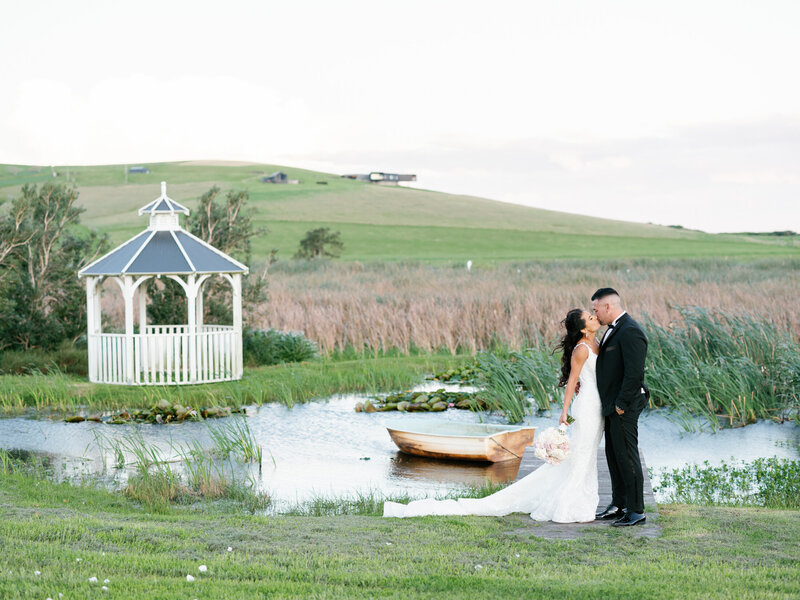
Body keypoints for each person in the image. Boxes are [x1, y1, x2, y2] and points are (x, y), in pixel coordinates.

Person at [383, 309, 604, 522]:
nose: (595, 318)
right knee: (581, 455)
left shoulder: (596, 343)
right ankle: (569, 505)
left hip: (597, 406)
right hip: (586, 408)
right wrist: (564, 412)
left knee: (586, 454)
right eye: (590, 317)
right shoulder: (582, 349)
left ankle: (581, 499)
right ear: (584, 330)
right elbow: (572, 383)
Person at [591, 288, 649, 527]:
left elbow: (634, 373)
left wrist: (621, 405)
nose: (594, 314)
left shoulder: (631, 331)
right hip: (611, 406)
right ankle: (619, 504)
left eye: (596, 309)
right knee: (614, 456)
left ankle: (636, 511)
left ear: (608, 307)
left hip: (623, 406)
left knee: (627, 456)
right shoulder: (612, 330)